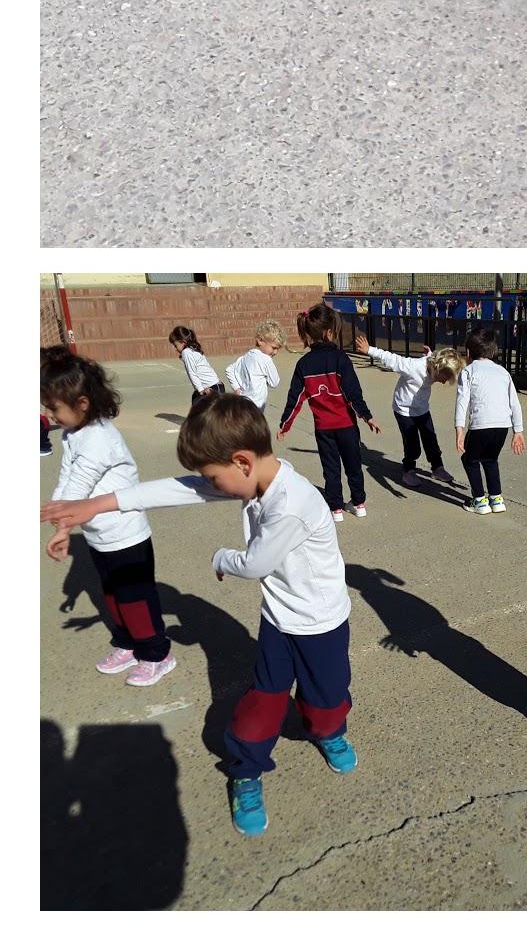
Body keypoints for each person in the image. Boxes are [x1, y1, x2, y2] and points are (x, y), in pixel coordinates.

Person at [41, 391, 356, 837]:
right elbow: (180, 489)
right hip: (278, 621)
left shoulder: (292, 504)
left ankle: (328, 730)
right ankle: (246, 769)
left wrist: (220, 557)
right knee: (263, 702)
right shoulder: (254, 477)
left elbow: (255, 563)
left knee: (327, 698)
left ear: (241, 462)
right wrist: (94, 505)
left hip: (322, 624)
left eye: (213, 477)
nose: (211, 485)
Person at [40, 344, 176, 687]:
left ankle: (157, 653)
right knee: (112, 595)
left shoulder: (99, 438)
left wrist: (62, 523)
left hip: (126, 535)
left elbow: (80, 485)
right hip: (98, 534)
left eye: (54, 408)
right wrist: (60, 522)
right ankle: (129, 643)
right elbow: (67, 479)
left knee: (135, 598)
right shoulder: (74, 433)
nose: (50, 415)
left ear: (82, 403)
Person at [276, 301, 381, 519]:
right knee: (353, 465)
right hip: (347, 425)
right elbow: (353, 393)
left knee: (331, 468)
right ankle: (359, 503)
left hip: (324, 429)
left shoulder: (303, 364)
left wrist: (285, 424)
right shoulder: (341, 359)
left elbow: (295, 398)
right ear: (330, 332)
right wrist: (367, 416)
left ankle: (336, 509)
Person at [356, 327, 462, 488]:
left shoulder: (433, 363)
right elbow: (392, 359)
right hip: (404, 410)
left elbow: (433, 359)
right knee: (412, 444)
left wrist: (429, 353)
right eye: (445, 377)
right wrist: (369, 350)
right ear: (437, 369)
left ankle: (437, 468)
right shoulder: (412, 367)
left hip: (422, 409)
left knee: (430, 439)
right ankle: (408, 470)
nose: (445, 381)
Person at [453, 327, 525, 516]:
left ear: (468, 352)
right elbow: (514, 403)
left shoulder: (468, 371)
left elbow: (462, 402)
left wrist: (459, 429)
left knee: (470, 460)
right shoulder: (503, 372)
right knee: (490, 460)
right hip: (502, 426)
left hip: (480, 426)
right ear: (493, 352)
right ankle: (496, 498)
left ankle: (479, 501)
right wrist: (518, 431)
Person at [225, 321, 286, 415]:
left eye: (278, 349)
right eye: (273, 348)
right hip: (256, 407)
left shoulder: (244, 357)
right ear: (260, 340)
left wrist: (237, 389)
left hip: (242, 403)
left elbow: (229, 369)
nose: (275, 352)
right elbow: (274, 382)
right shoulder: (266, 360)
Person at [168, 325, 222, 410]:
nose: (175, 349)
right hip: (209, 387)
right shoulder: (192, 349)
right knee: (196, 405)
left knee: (207, 412)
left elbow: (192, 372)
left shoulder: (187, 352)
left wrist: (200, 390)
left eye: (176, 345)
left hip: (213, 388)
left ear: (183, 342)